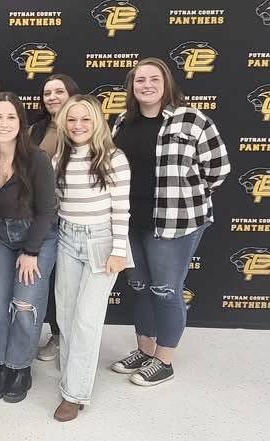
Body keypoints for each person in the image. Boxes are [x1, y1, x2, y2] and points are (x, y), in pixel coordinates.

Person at [110, 58, 230, 387]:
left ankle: (164, 360)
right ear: (131, 87)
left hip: (175, 223)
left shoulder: (193, 120)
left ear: (166, 83)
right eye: (139, 80)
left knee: (165, 290)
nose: (146, 85)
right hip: (132, 222)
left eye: (153, 79)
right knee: (140, 287)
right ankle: (145, 350)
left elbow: (218, 170)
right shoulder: (122, 121)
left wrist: (185, 196)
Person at [52, 95, 131, 421]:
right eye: (72, 120)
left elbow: (121, 208)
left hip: (101, 241)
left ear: (97, 121)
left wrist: (118, 251)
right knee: (66, 316)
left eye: (85, 119)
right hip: (67, 238)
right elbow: (57, 203)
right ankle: (73, 374)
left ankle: (75, 394)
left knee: (86, 320)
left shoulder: (114, 158)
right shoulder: (60, 157)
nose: (78, 125)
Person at [0, 93, 58, 404]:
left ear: (21, 123)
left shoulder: (37, 158)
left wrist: (31, 252)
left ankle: (20, 368)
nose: (4, 123)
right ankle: (1, 365)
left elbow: (47, 211)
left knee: (24, 307)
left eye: (11, 117)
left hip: (36, 237)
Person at [30, 74, 80, 362]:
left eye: (59, 91)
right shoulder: (37, 129)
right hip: (44, 217)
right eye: (47, 93)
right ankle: (56, 334)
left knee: (68, 284)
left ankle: (66, 338)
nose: (52, 97)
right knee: (49, 282)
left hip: (75, 215)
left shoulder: (82, 126)